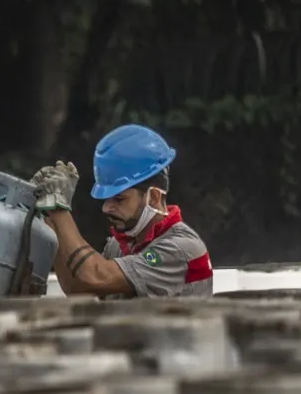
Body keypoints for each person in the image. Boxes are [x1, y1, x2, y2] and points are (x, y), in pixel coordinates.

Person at [30, 125, 214, 299]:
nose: (106, 208)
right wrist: (50, 219)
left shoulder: (180, 250)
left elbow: (93, 275)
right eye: (106, 199)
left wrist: (59, 208)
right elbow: (79, 288)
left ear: (154, 197)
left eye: (119, 199)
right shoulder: (119, 246)